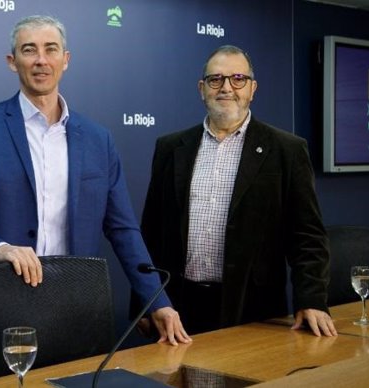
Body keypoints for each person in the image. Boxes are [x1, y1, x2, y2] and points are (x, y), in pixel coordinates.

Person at [0, 15, 191, 382]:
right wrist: (1, 248)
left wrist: (158, 303)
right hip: (1, 314)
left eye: (50, 49)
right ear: (13, 62)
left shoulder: (97, 138)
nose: (41, 60)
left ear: (66, 59)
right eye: (29, 50)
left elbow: (122, 229)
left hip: (77, 315)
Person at [140, 45, 337, 337]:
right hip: (179, 310)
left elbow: (306, 236)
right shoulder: (171, 148)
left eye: (238, 79)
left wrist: (312, 300)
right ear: (201, 88)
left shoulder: (287, 150)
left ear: (252, 88)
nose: (226, 88)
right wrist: (145, 303)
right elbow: (151, 233)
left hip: (254, 309)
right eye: (215, 79)